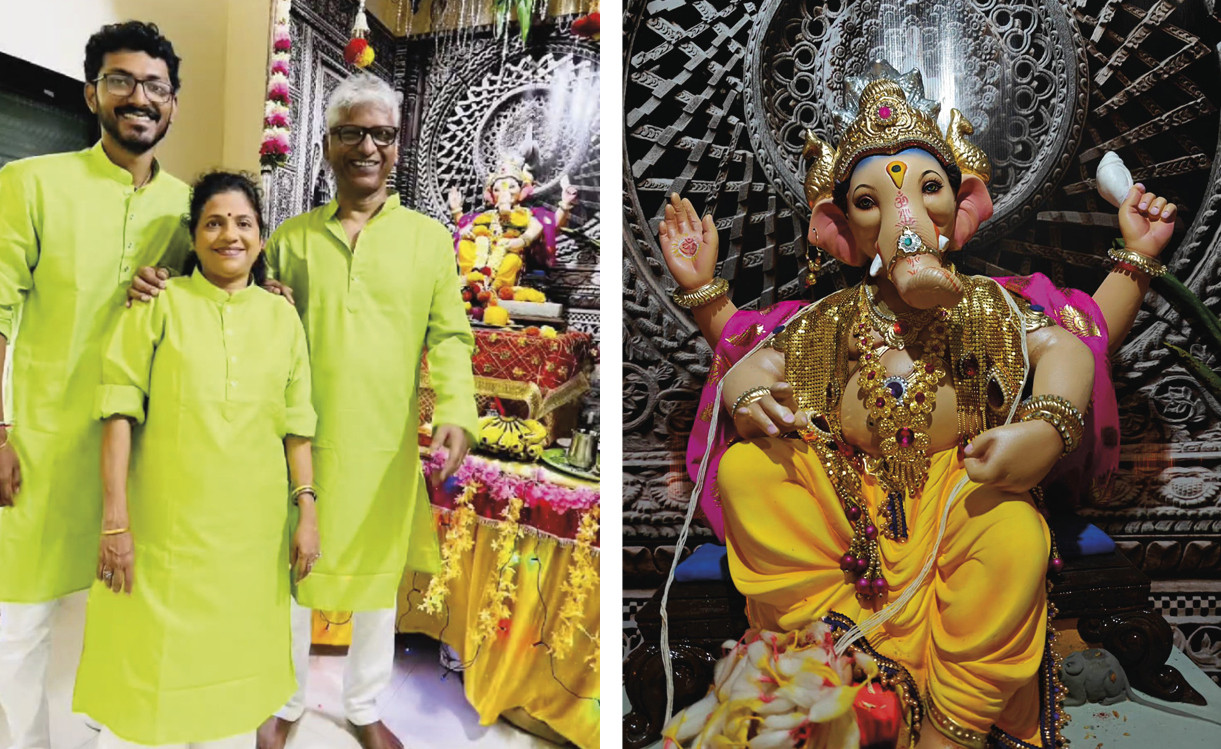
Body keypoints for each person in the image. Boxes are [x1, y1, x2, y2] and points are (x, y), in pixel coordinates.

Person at [131, 73, 477, 749]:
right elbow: (224, 284)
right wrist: (160, 277)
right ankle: (283, 697)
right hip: (295, 442)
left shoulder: (428, 241)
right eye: (351, 133)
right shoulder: (286, 239)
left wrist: (458, 409)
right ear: (327, 146)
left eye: (380, 133)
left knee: (376, 591)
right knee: (291, 576)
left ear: (396, 147)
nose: (367, 147)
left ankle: (365, 704)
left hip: (382, 448)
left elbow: (452, 336)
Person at [74, 171, 320, 748]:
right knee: (149, 680)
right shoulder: (159, 303)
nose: (228, 235)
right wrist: (115, 521)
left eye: (243, 224)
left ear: (261, 240)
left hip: (250, 538)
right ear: (193, 236)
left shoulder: (282, 317)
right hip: (165, 534)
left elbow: (298, 423)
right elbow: (117, 411)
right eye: (214, 222)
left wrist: (306, 511)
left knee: (233, 686)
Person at [0, 22, 192, 749]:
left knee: (104, 626)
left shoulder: (189, 209)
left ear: (172, 105)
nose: (138, 98)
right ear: (92, 93)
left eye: (155, 87)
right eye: (120, 81)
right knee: (18, 628)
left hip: (137, 459)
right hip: (39, 447)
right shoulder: (28, 185)